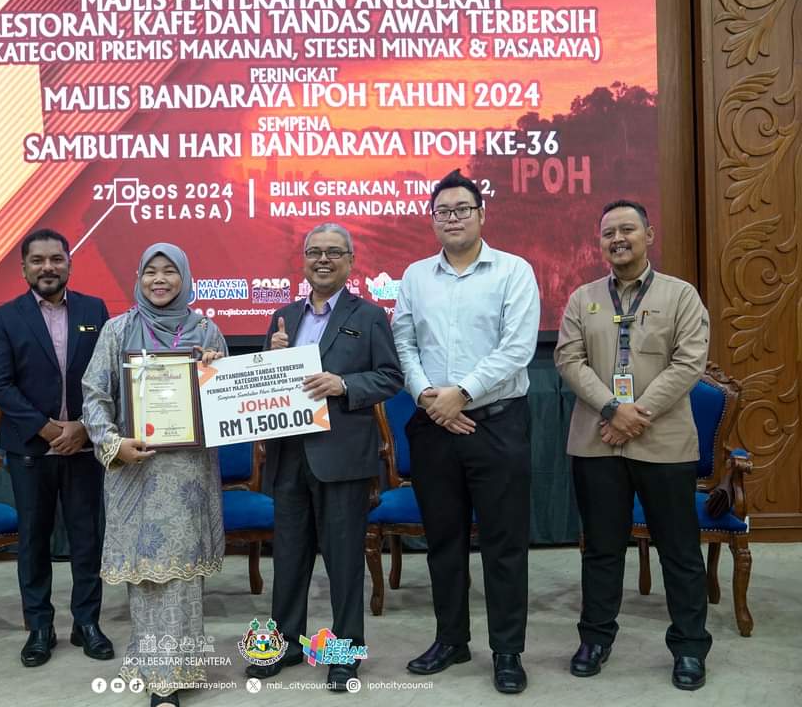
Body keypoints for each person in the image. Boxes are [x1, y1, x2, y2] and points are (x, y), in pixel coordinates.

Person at [392, 169, 540, 694]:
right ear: (432, 220)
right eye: (443, 211)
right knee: (443, 542)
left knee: (504, 544)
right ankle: (451, 639)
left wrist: (462, 393)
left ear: (482, 214)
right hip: (433, 426)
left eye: (462, 209)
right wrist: (428, 398)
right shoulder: (415, 276)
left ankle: (507, 651)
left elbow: (517, 348)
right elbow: (404, 343)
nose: (452, 218)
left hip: (497, 425)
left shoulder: (513, 271)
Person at [554, 199, 712, 690]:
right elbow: (569, 360)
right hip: (597, 443)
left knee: (679, 552)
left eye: (627, 230)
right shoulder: (582, 298)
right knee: (601, 550)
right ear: (600, 243)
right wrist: (611, 409)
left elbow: (689, 363)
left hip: (664, 443)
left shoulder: (681, 295)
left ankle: (689, 647)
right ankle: (595, 639)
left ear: (649, 234)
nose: (617, 239)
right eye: (608, 233)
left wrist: (635, 415)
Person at [247, 223, 402, 691]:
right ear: (303, 260)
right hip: (289, 456)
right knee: (288, 559)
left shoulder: (369, 316)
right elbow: (266, 382)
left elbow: (390, 377)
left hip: (343, 458)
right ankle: (286, 645)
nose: (323, 260)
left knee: (344, 562)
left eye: (334, 252)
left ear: (350, 261)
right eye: (315, 251)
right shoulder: (283, 317)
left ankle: (343, 654)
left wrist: (344, 384)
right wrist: (269, 355)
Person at [81, 243, 226, 707]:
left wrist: (213, 371)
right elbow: (94, 395)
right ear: (139, 278)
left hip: (187, 475)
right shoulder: (117, 330)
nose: (159, 280)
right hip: (135, 469)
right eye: (150, 272)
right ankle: (159, 674)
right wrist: (112, 444)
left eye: (169, 272)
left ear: (185, 277)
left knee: (182, 578)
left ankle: (177, 668)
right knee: (147, 576)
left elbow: (224, 404)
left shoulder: (207, 331)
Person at [0, 228, 113, 667]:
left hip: (83, 448)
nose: (48, 267)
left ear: (69, 264)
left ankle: (87, 623)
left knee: (87, 539)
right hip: (31, 450)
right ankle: (39, 627)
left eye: (56, 259)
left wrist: (83, 427)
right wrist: (46, 428)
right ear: (23, 268)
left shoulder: (94, 310)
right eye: (37, 260)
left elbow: (108, 376)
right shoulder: (5, 316)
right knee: (34, 541)